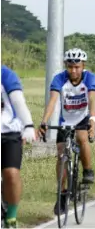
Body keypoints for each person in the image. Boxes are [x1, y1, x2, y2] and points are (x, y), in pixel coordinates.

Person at [38, 48, 95, 215]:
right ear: (66, 66)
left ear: (83, 66)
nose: (73, 70)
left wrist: (92, 119)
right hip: (65, 121)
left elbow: (92, 99)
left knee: (81, 136)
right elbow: (52, 101)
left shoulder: (90, 78)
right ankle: (62, 193)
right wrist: (44, 121)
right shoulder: (59, 79)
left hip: (83, 118)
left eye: (77, 67)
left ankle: (87, 170)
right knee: (60, 153)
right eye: (70, 67)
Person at [1, 65, 36, 228]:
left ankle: (11, 217)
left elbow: (17, 100)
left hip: (8, 131)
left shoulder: (5, 75)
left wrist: (28, 125)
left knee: (11, 173)